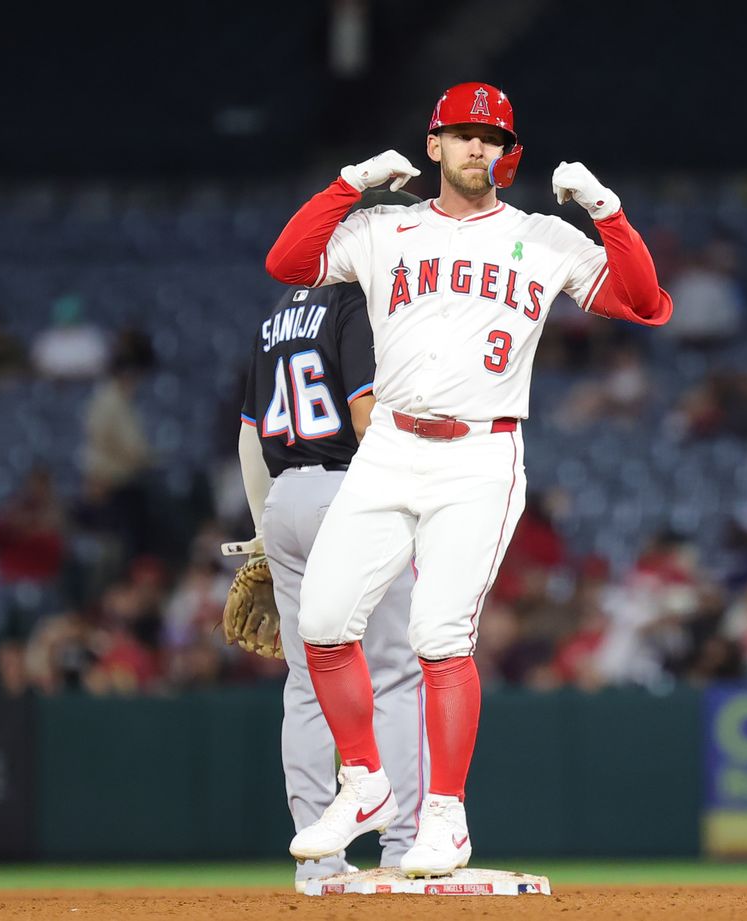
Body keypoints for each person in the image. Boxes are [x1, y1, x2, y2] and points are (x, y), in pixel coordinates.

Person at [263, 82, 672, 877]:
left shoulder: (543, 236)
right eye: (462, 134)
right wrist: (349, 184)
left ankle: (445, 816)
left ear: (506, 150)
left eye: (491, 136)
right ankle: (364, 782)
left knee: (438, 637)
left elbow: (645, 300)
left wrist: (607, 211)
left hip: (481, 453)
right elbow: (287, 262)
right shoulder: (384, 227)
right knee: (320, 621)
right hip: (388, 444)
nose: (477, 148)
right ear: (435, 145)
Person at [234, 191, 427, 891]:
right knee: (396, 672)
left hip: (285, 497)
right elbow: (368, 415)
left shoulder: (278, 312)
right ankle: (404, 847)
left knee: (310, 682)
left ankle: (318, 862)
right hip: (353, 488)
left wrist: (262, 532)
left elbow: (250, 436)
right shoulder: (357, 301)